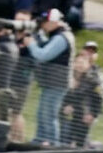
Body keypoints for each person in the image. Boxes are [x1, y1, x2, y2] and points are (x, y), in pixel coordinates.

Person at [26, 10, 73, 145]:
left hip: (57, 83)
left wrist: (31, 44)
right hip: (52, 82)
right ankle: (39, 141)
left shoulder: (61, 37)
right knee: (42, 113)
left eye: (45, 23)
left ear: (54, 22)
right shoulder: (58, 35)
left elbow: (43, 55)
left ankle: (52, 145)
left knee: (48, 115)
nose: (43, 26)